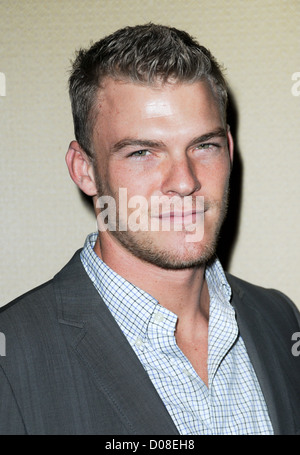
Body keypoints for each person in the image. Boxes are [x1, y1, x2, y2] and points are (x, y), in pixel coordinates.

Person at [0, 24, 299, 436]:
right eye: (142, 152)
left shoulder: (280, 319)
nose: (184, 181)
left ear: (229, 150)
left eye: (204, 146)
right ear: (84, 170)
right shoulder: (11, 357)